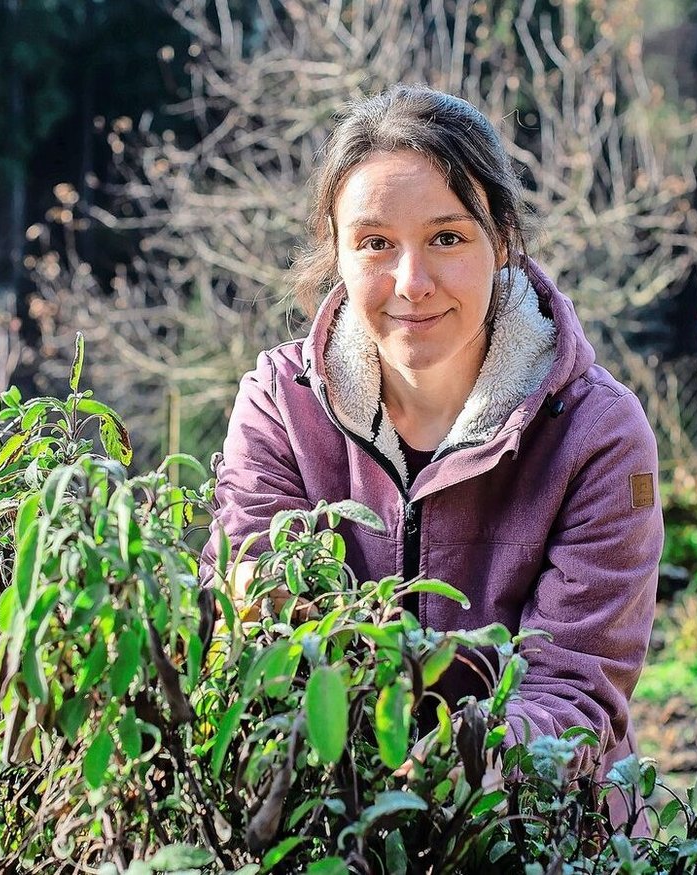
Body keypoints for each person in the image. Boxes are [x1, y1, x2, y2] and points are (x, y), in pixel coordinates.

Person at [203, 84, 663, 817]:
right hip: (330, 818)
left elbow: (575, 688)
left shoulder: (596, 432)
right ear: (339, 251)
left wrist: (459, 770)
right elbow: (257, 615)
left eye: (447, 237)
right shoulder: (279, 406)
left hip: (533, 828)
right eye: (375, 243)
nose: (411, 284)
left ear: (503, 240)